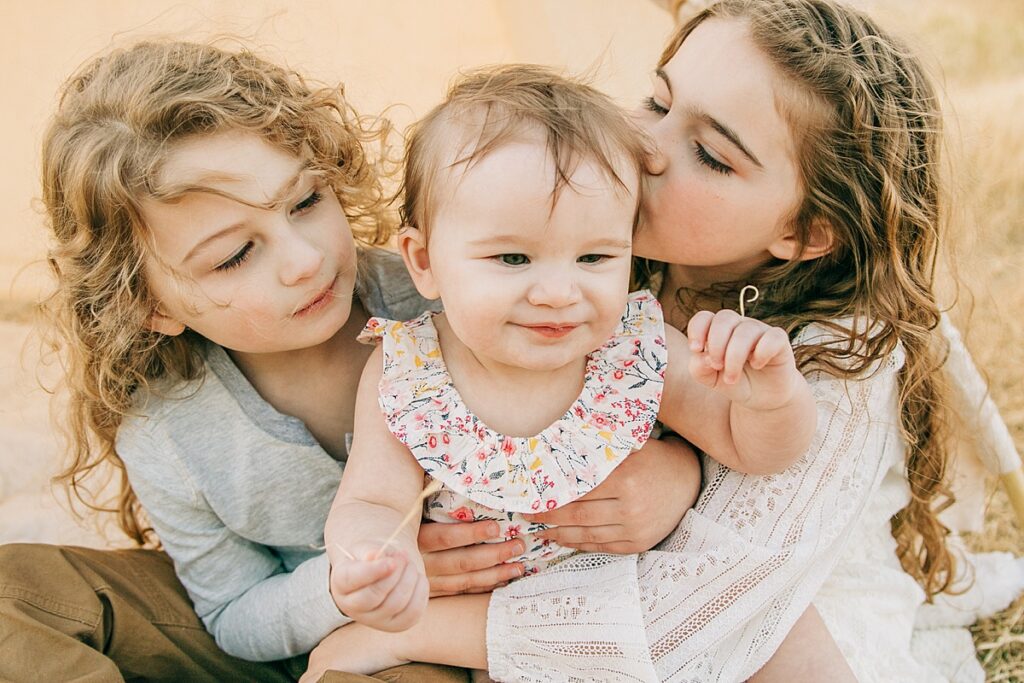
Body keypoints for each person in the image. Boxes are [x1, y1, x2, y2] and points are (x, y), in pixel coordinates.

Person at [304, 1, 1024, 681]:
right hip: (579, 586)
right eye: (656, 100)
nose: (644, 148)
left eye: (709, 154)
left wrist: (407, 629)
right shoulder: (586, 250)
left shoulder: (841, 348)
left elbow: (695, 610)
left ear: (803, 232)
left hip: (760, 600)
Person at [0, 40, 696, 683]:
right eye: (235, 255)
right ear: (150, 303)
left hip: (447, 640)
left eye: (306, 201)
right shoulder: (164, 429)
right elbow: (233, 612)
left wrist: (679, 473)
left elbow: (643, 378)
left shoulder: (466, 287)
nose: (304, 261)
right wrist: (340, 583)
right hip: (310, 620)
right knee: (13, 597)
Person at [311, 63, 816, 672]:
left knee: (788, 646)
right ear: (424, 262)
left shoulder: (637, 350)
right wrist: (368, 558)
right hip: (477, 635)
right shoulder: (409, 372)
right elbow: (371, 498)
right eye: (513, 257)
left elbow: (754, 449)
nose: (557, 291)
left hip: (623, 622)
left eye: (594, 256)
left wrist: (771, 398)